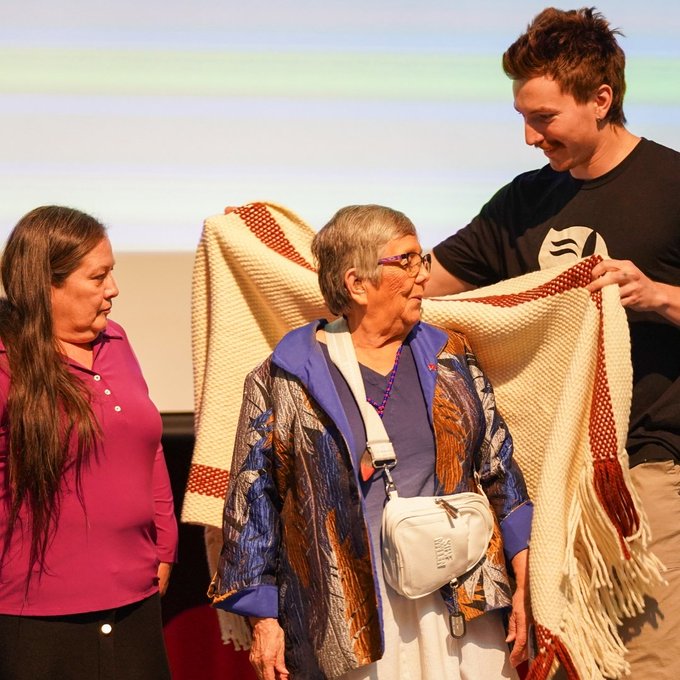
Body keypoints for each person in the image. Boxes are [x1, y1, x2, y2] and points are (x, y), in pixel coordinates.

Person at [427, 7, 680, 678]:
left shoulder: (673, 186)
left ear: (601, 99)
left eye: (544, 118)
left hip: (647, 470)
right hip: (545, 479)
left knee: (646, 662)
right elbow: (422, 287)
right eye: (523, 116)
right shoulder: (523, 201)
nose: (530, 136)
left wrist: (660, 296)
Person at [209, 204, 532, 679]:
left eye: (421, 259)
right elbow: (252, 503)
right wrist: (264, 618)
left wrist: (525, 584)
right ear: (356, 283)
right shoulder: (286, 376)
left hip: (459, 597)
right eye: (406, 261)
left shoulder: (449, 356)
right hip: (354, 611)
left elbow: (500, 469)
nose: (422, 275)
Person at [0, 206, 178, 679]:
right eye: (98, 277)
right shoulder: (5, 362)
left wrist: (164, 543)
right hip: (36, 615)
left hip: (134, 601)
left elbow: (149, 445)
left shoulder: (116, 340)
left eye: (112, 274)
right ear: (46, 285)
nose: (113, 290)